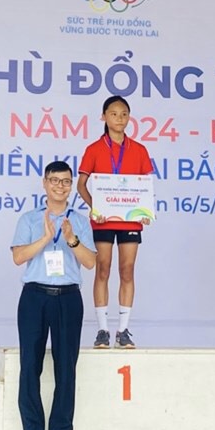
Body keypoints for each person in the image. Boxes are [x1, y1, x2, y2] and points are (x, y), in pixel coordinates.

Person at [11, 161, 96, 430]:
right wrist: (46, 238)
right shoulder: (29, 219)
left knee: (66, 365)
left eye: (66, 181)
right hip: (35, 296)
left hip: (69, 297)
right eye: (55, 180)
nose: (60, 186)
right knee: (30, 364)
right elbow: (18, 257)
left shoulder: (80, 221)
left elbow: (90, 262)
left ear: (71, 186)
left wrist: (71, 239)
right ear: (45, 183)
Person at [77, 95, 153, 349]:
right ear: (104, 117)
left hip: (130, 222)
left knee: (127, 270)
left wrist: (145, 210)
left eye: (124, 114)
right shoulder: (94, 149)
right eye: (113, 113)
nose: (119, 118)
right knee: (103, 269)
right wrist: (94, 207)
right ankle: (102, 330)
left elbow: (145, 187)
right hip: (103, 220)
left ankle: (123, 330)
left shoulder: (140, 150)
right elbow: (81, 184)